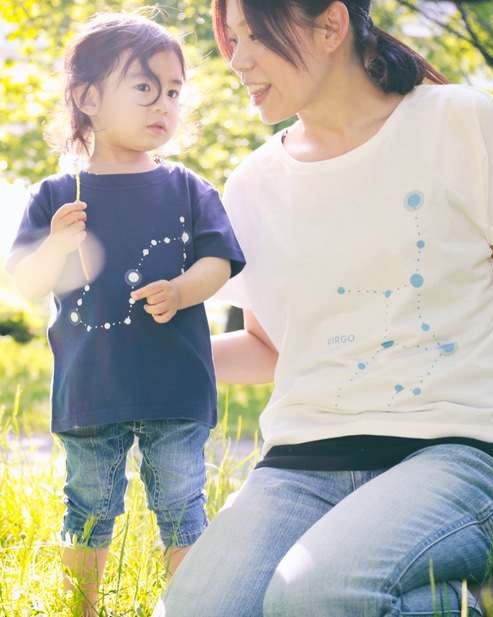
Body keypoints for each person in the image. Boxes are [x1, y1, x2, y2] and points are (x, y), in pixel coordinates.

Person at [154, 0, 493, 616]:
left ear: (330, 25)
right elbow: (271, 347)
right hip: (303, 462)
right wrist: (152, 357)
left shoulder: (462, 122)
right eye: (230, 39)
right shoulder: (249, 186)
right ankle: (453, 602)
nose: (237, 60)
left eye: (255, 36)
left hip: (463, 449)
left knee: (314, 595)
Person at [5, 11, 245, 617]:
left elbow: (221, 259)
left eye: (172, 91)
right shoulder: (59, 194)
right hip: (93, 386)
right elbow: (25, 282)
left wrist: (185, 291)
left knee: (183, 503)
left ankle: (191, 607)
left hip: (175, 384)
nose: (162, 104)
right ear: (87, 98)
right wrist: (58, 246)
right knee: (88, 506)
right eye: (144, 87)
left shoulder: (187, 187)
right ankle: (82, 607)